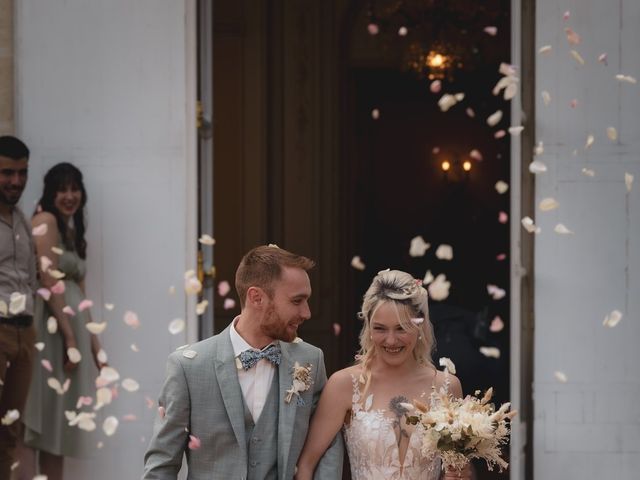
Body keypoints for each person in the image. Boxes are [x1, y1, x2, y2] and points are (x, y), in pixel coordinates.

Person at [143, 245, 343, 479]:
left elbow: (328, 444)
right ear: (256, 297)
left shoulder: (311, 361)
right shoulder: (188, 368)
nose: (307, 313)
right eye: (297, 301)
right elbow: (162, 464)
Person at [295, 269, 472, 480]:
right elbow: (305, 466)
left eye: (401, 328)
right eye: (380, 328)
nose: (390, 340)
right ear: (368, 327)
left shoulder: (447, 387)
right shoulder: (344, 384)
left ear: (420, 326)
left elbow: (459, 469)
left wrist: (457, 475)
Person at [18, 163, 105, 480]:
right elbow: (48, 281)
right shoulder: (47, 221)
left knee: (56, 429)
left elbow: (80, 299)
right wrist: (70, 339)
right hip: (52, 333)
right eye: (62, 189)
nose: (70, 196)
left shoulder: (70, 230)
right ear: (50, 192)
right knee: (35, 424)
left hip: (68, 333)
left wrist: (96, 349)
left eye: (74, 188)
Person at [0, 135, 37, 479]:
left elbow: (31, 276)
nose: (16, 181)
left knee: (11, 429)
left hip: (25, 332)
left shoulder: (22, 220)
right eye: (7, 173)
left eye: (22, 172)